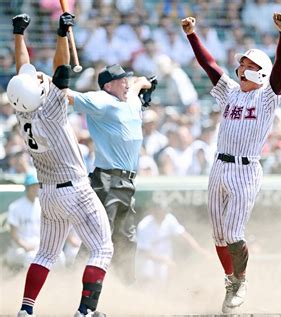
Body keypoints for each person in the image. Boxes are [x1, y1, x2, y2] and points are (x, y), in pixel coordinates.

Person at [181, 12, 281, 313]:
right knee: (218, 235)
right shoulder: (230, 92)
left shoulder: (267, 98)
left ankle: (240, 281)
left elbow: (279, 70)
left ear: (260, 72)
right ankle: (230, 279)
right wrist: (192, 35)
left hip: (245, 169)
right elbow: (210, 65)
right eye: (242, 63)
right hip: (219, 166)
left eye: (248, 65)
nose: (242, 67)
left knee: (233, 233)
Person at [7, 12, 113, 317]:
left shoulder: (21, 109)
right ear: (39, 92)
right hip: (75, 189)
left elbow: (21, 73)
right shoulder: (50, 111)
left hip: (49, 193)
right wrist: (63, 31)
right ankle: (85, 312)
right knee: (103, 248)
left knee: (45, 254)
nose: (40, 78)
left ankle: (26, 310)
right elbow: (62, 69)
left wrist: (18, 33)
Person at [68, 64, 155, 284]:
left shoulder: (131, 98)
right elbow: (68, 95)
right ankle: (73, 284)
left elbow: (139, 82)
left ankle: (126, 288)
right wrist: (45, 80)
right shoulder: (101, 100)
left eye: (126, 79)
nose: (126, 82)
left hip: (126, 183)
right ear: (108, 85)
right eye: (121, 80)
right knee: (98, 238)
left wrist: (148, 83)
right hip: (107, 180)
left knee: (127, 239)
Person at [135, 200, 211, 284]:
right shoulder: (144, 226)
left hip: (165, 262)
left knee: (164, 285)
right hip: (148, 263)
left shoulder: (169, 218)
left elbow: (184, 235)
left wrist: (199, 250)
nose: (163, 214)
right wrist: (166, 260)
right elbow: (145, 253)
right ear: (153, 211)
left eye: (164, 211)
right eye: (160, 211)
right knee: (149, 284)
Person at [5, 171, 41, 270]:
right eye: (33, 186)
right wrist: (26, 245)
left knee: (60, 257)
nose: (36, 189)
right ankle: (26, 283)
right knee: (31, 257)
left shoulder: (42, 205)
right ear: (28, 187)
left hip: (38, 246)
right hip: (19, 248)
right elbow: (14, 234)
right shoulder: (15, 207)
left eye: (38, 186)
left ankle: (58, 282)